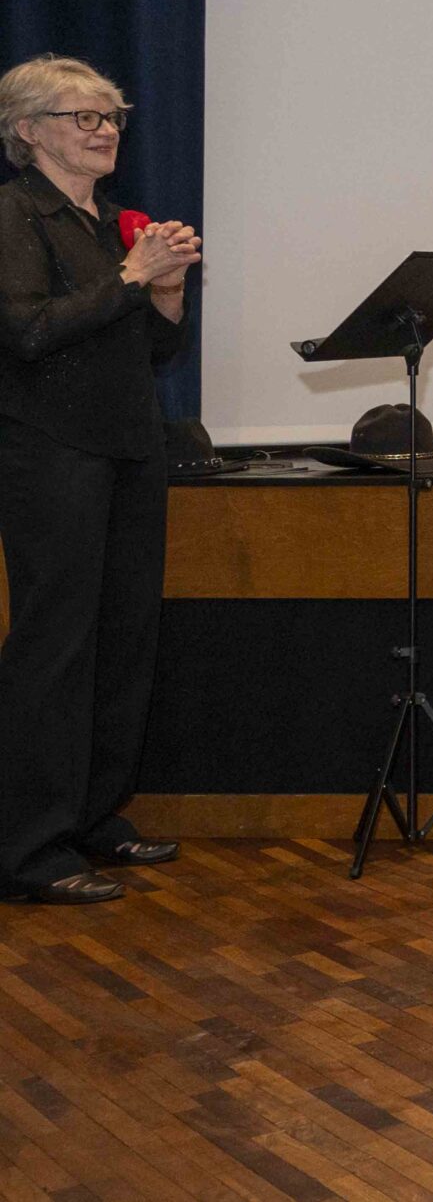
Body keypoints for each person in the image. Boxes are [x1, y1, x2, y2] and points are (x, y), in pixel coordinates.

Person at [0, 55, 199, 905]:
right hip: (52, 452)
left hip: (129, 448)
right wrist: (129, 279)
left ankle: (90, 814)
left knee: (123, 637)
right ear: (28, 130)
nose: (106, 129)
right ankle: (27, 845)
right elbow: (25, 331)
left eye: (112, 115)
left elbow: (154, 351)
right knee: (55, 647)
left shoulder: (118, 223)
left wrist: (168, 292)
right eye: (84, 116)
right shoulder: (15, 213)